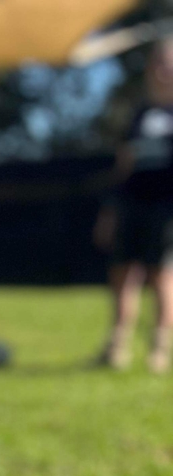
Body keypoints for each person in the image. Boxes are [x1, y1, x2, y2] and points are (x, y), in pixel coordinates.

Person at [95, 38, 173, 373]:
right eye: (158, 62)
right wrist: (111, 211)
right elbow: (124, 165)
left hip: (165, 209)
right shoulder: (138, 113)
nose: (163, 69)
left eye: (169, 63)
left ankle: (159, 350)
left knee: (161, 277)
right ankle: (117, 347)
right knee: (123, 275)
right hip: (132, 205)